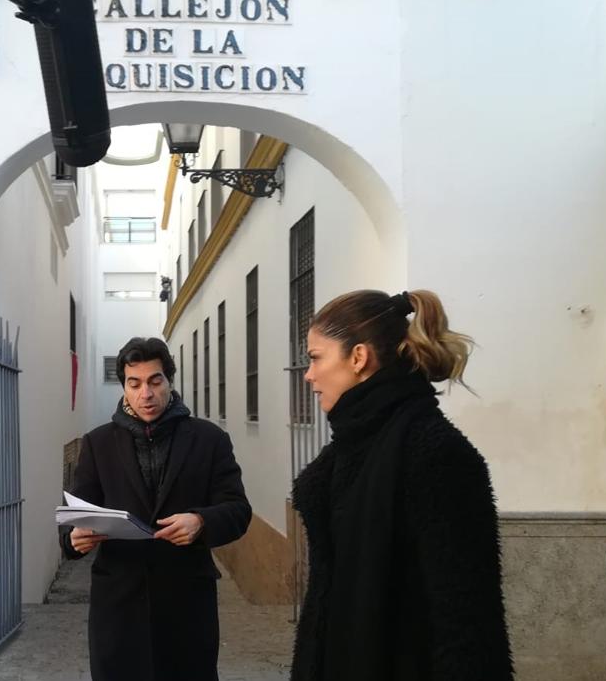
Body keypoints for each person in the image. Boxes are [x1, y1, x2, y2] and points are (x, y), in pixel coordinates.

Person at [290, 290, 512, 681]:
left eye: (315, 358)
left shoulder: (436, 453)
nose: (308, 374)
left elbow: (467, 623)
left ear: (358, 358)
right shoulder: (352, 443)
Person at [61, 336, 252, 681]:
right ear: (124, 387)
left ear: (169, 381)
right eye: (134, 384)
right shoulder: (98, 443)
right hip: (118, 608)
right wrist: (74, 539)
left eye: (154, 381)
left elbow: (238, 510)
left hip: (187, 607)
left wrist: (201, 521)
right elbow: (73, 516)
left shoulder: (209, 439)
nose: (145, 393)